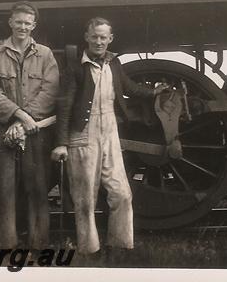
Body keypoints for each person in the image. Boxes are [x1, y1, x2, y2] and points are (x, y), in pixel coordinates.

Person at [51, 17, 167, 254]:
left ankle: (120, 245)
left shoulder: (114, 64)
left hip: (110, 132)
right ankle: (88, 250)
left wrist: (154, 92)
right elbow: (64, 106)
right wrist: (61, 143)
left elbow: (130, 89)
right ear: (86, 37)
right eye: (94, 36)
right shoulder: (75, 68)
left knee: (122, 193)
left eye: (103, 37)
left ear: (110, 39)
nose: (98, 41)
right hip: (82, 134)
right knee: (85, 199)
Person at [0, 1, 59, 249]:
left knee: (37, 189)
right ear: (10, 22)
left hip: (35, 131)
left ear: (34, 25)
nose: (22, 27)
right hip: (2, 131)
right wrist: (19, 117)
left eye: (27, 23)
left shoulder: (46, 54)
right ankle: (6, 246)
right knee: (3, 190)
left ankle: (39, 245)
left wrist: (24, 120)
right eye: (18, 22)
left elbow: (50, 92)